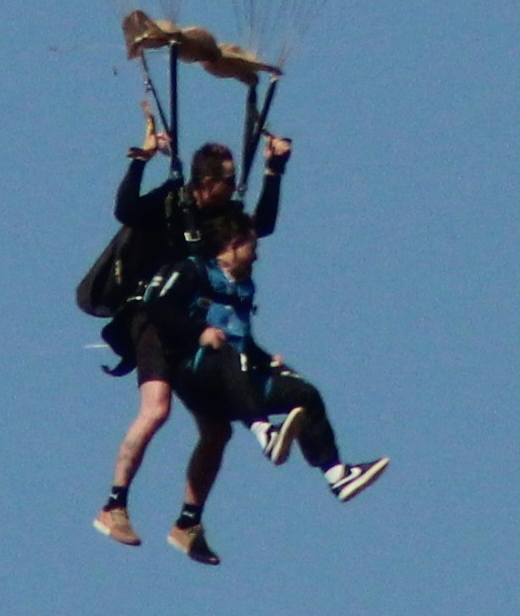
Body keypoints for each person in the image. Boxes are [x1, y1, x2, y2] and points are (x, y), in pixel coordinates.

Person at [93, 112, 277, 544]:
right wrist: (141, 160)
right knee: (156, 409)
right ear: (208, 183)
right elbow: (126, 211)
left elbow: (260, 226)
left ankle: (188, 523)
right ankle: (113, 506)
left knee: (217, 430)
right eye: (227, 183)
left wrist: (274, 168)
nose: (233, 191)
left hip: (196, 324)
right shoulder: (173, 199)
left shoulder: (225, 216)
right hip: (155, 316)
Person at [151, 225, 383, 567]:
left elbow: (243, 342)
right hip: (195, 371)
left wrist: (265, 359)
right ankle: (264, 431)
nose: (257, 255)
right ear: (232, 243)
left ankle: (336, 474)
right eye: (252, 247)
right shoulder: (194, 270)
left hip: (234, 376)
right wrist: (200, 332)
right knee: (230, 356)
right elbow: (158, 311)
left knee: (304, 392)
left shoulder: (244, 287)